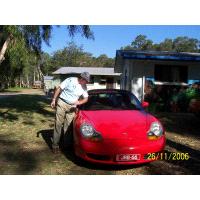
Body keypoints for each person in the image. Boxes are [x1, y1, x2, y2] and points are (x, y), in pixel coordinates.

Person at [50, 72, 90, 153]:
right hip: (62, 103)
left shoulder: (84, 87)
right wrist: (54, 100)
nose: (87, 82)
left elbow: (86, 99)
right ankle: (55, 145)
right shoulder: (70, 80)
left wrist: (78, 102)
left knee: (68, 126)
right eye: (86, 80)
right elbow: (59, 89)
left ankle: (66, 145)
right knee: (58, 124)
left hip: (72, 107)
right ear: (82, 78)